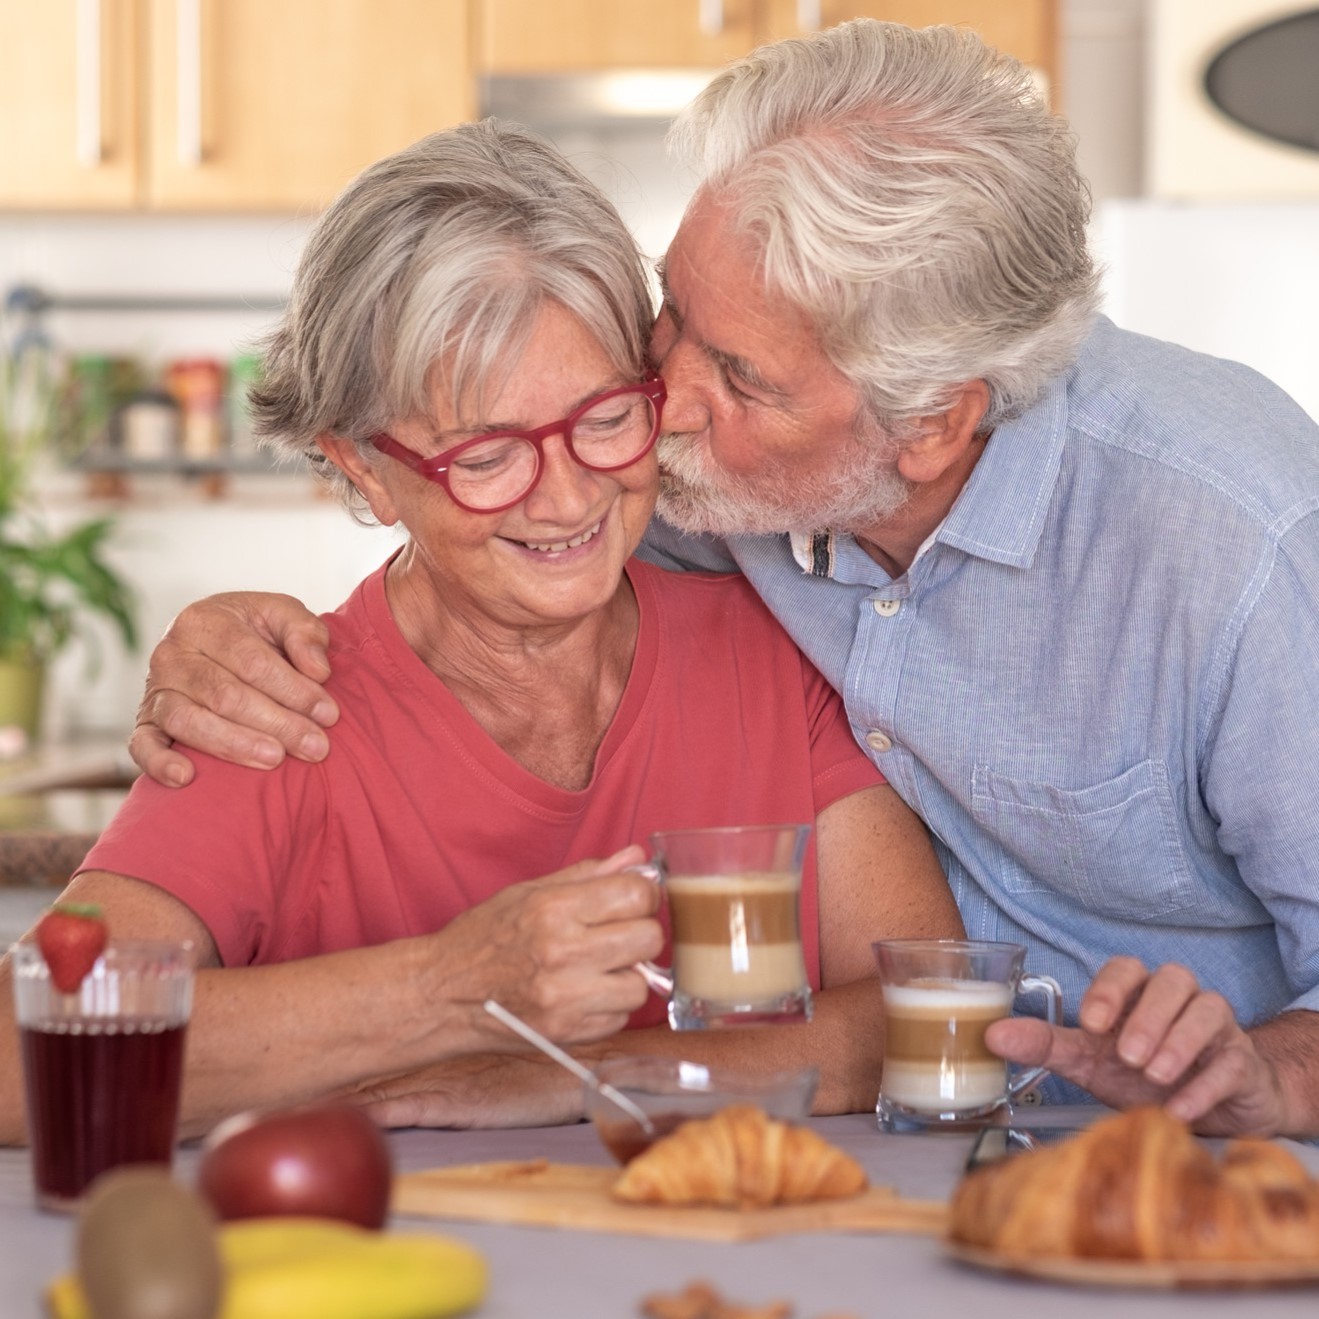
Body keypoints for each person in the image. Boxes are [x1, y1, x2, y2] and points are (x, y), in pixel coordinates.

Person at [126, 21, 1319, 1139]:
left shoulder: (1238, 546)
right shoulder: (712, 498)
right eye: (670, 316)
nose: (659, 413)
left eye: (737, 375)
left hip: (1210, 1163)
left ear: (927, 427)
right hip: (928, 1148)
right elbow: (489, 512)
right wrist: (220, 630)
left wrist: (1265, 1072)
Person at [0, 118, 959, 1145]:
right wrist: (447, 988)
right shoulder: (274, 705)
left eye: (603, 419)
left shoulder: (769, 649)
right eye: (487, 454)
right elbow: (26, 1057)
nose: (565, 498)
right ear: (363, 465)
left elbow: (928, 1013)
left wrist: (589, 1073)